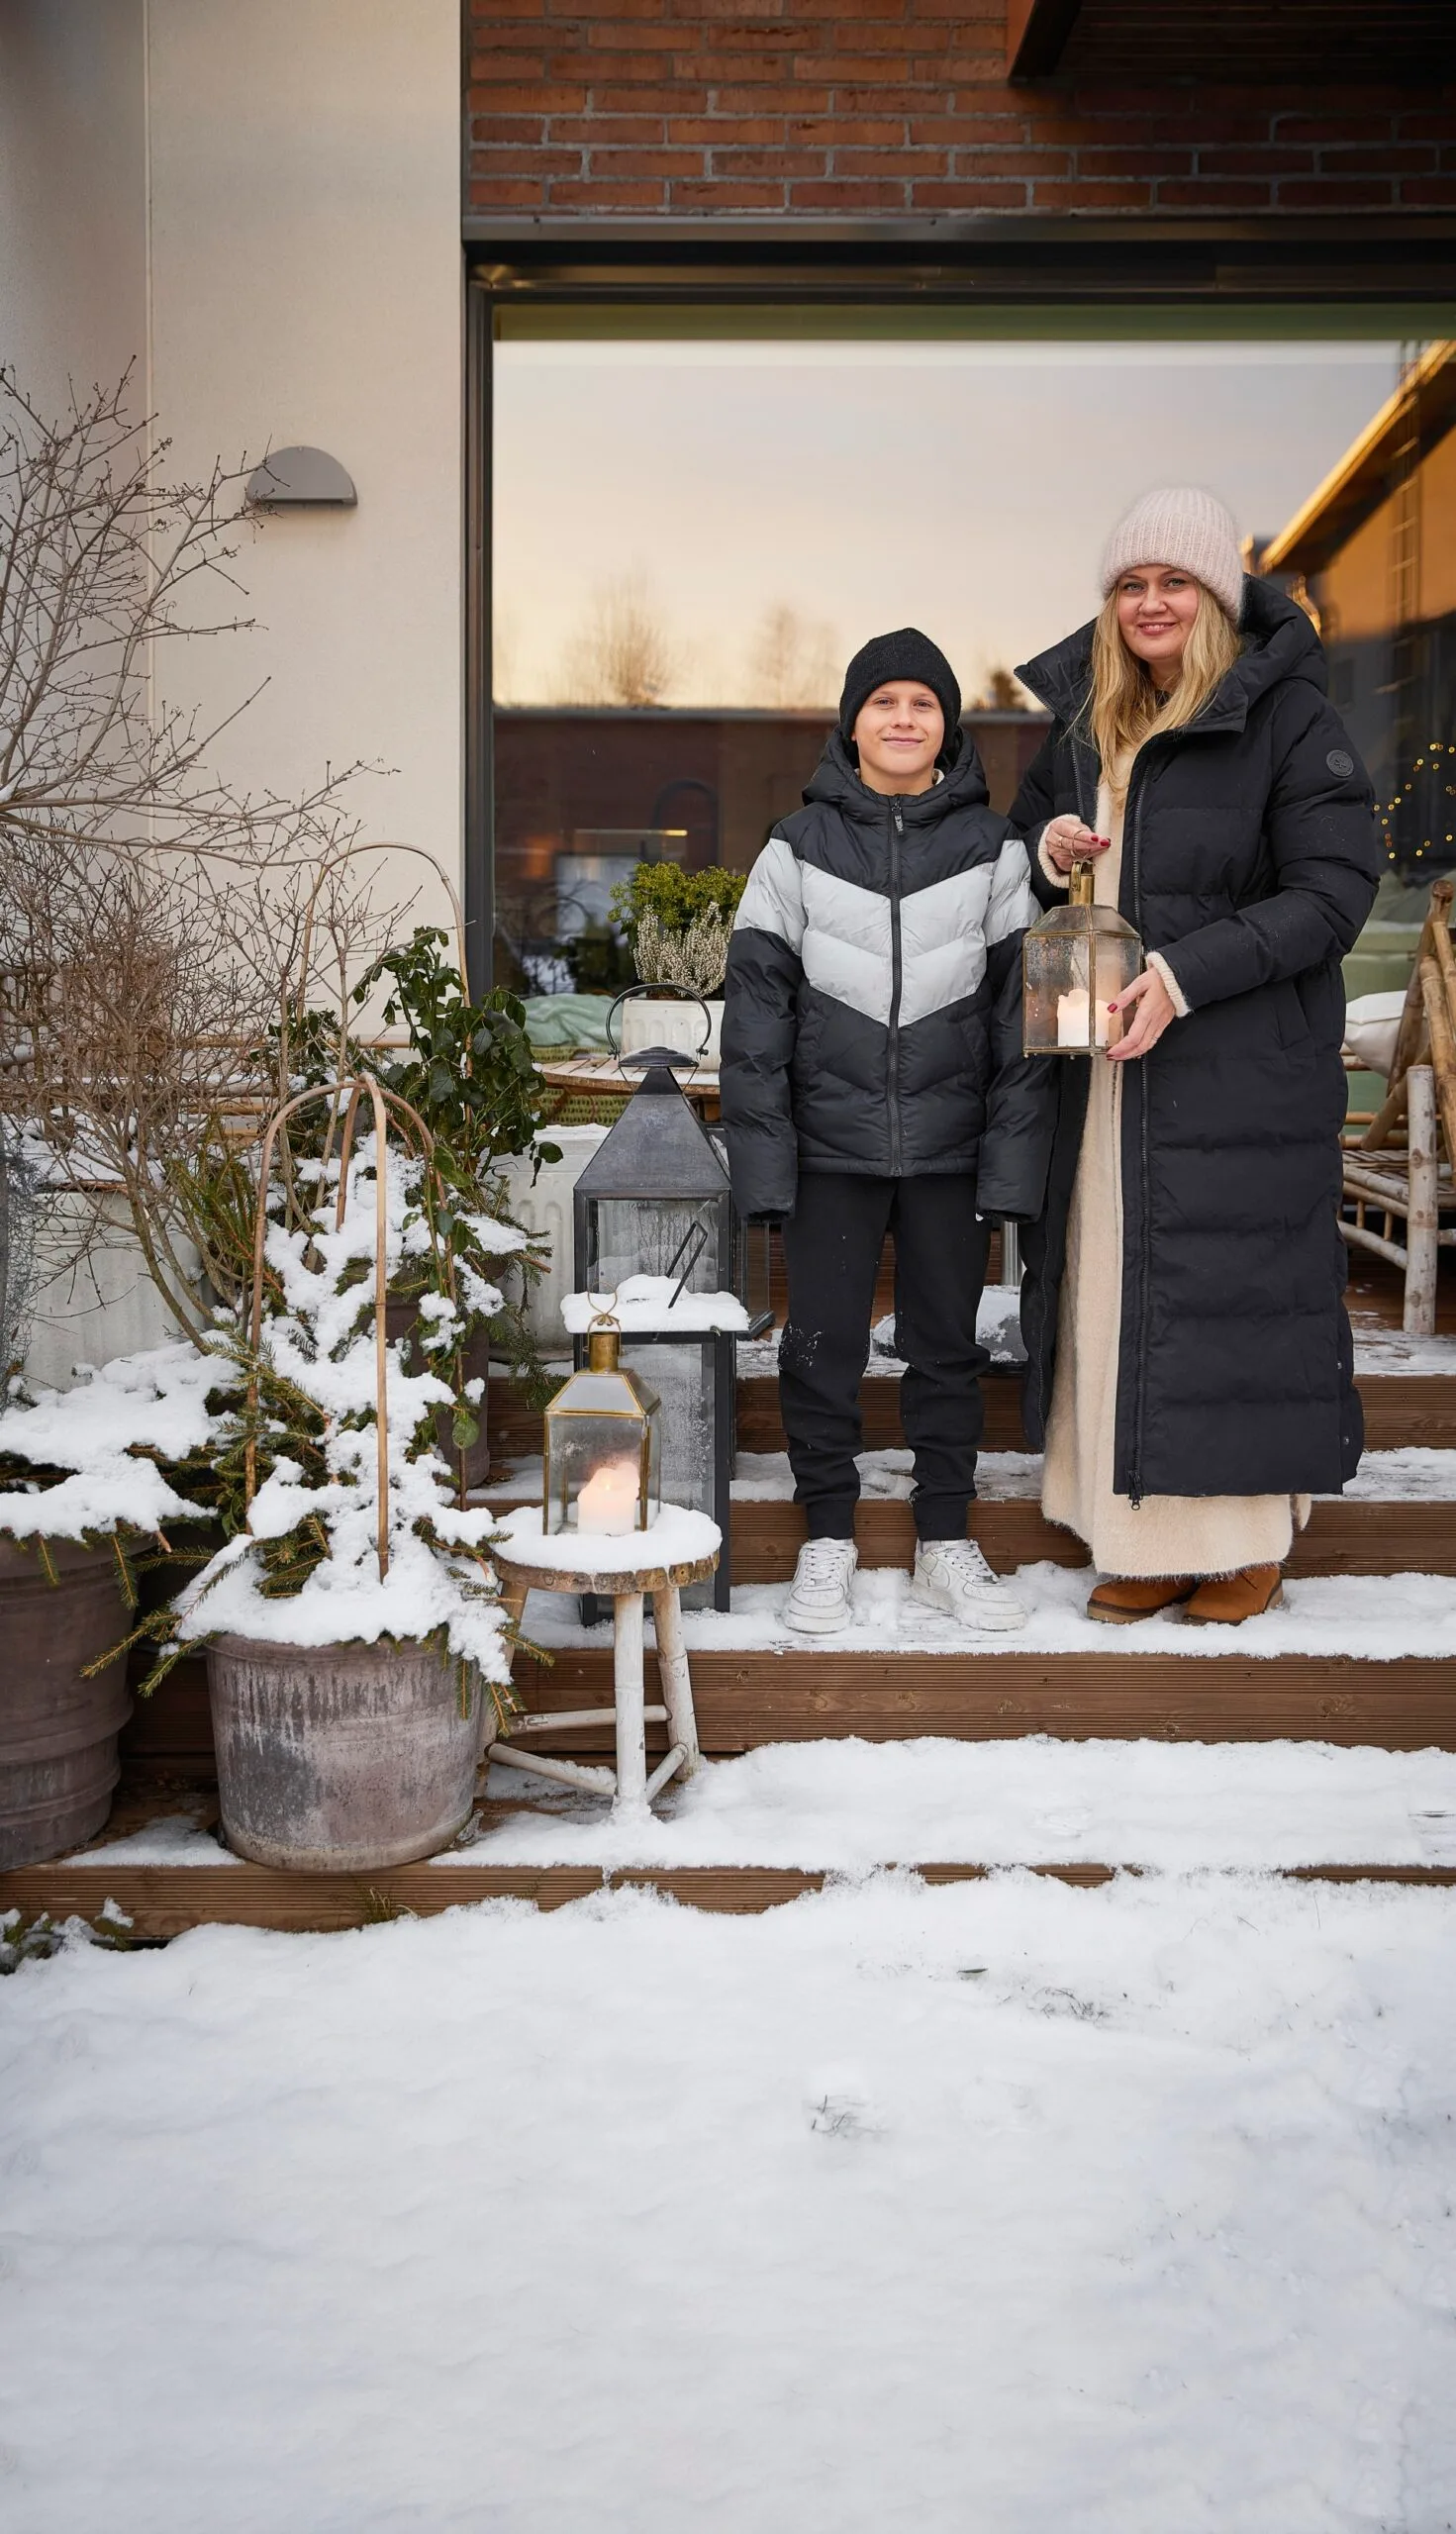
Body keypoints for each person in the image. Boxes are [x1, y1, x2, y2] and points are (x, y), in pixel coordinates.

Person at [1010, 487, 1381, 1624]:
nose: (1150, 602)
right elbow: (1020, 842)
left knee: (1233, 1296)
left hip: (1233, 1065)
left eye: (1174, 581)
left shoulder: (1286, 718)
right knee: (1115, 1287)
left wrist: (1182, 975)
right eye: (1130, 584)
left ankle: (1242, 1542)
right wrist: (1046, 848)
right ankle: (1146, 1534)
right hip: (1106, 1063)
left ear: (1217, 595)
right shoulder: (1090, 720)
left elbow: (1332, 893)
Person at [721, 628, 1053, 1635]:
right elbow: (753, 1018)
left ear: (946, 727)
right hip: (829, 1151)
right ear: (851, 722)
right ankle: (827, 1532)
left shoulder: (994, 850)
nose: (903, 718)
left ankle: (945, 1541)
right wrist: (765, 1165)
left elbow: (1022, 1025)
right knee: (818, 1346)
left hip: (951, 1153)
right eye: (884, 702)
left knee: (946, 1346)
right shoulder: (795, 846)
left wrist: (1010, 1164)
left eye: (922, 702)